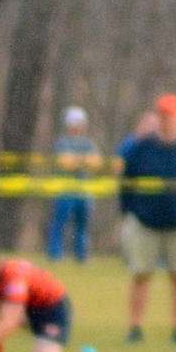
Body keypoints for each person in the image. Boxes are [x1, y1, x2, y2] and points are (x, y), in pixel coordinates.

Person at [118, 94, 176, 345]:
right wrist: (129, 213)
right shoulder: (142, 147)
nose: (165, 120)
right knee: (140, 274)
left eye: (170, 115)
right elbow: (126, 183)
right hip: (144, 222)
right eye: (162, 115)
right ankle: (135, 328)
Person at [49, 106, 100, 263]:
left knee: (82, 224)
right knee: (60, 221)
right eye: (74, 123)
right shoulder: (63, 143)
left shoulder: (89, 144)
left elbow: (95, 163)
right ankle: (56, 254)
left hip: (83, 189)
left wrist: (77, 161)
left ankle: (82, 255)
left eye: (80, 123)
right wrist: (83, 161)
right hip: (65, 189)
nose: (78, 127)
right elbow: (66, 163)